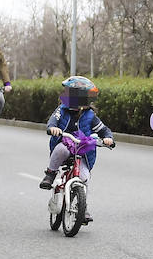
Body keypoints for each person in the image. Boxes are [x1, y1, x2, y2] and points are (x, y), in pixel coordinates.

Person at [38, 77, 116, 212]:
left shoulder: (90, 116)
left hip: (83, 150)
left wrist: (108, 138)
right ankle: (50, 174)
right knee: (61, 150)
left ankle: (82, 208)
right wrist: (53, 128)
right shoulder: (61, 110)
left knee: (84, 177)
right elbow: (53, 121)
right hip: (66, 143)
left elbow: (103, 129)